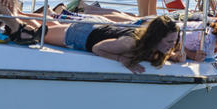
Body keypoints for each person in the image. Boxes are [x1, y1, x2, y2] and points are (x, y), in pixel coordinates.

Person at [43, 15, 193, 74]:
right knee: (39, 34)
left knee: (45, 27)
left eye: (174, 41)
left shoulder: (153, 47)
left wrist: (173, 56)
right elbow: (98, 48)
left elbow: (156, 54)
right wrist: (122, 60)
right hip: (83, 34)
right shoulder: (130, 43)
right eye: (169, 42)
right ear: (156, 38)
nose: (172, 45)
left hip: (101, 26)